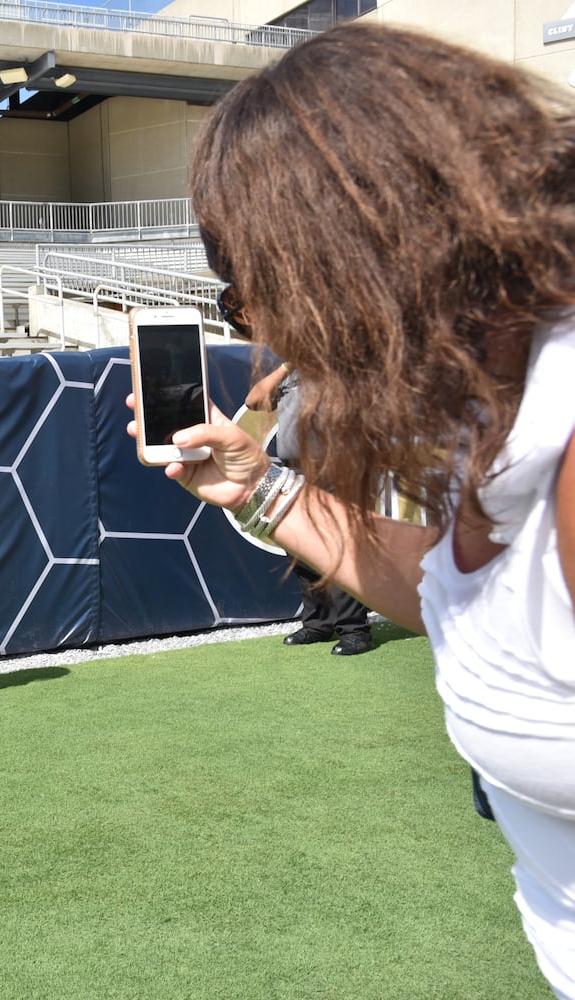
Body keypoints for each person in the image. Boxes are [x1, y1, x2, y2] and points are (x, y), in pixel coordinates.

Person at [128, 22, 575, 997]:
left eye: (246, 294)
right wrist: (265, 486)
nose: (260, 331)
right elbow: (465, 594)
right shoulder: (495, 415)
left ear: (353, 262)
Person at [244, 361, 373, 655]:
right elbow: (253, 400)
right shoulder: (289, 371)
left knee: (338, 546)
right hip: (294, 471)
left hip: (337, 468)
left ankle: (355, 630)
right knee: (301, 547)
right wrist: (288, 364)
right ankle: (317, 624)